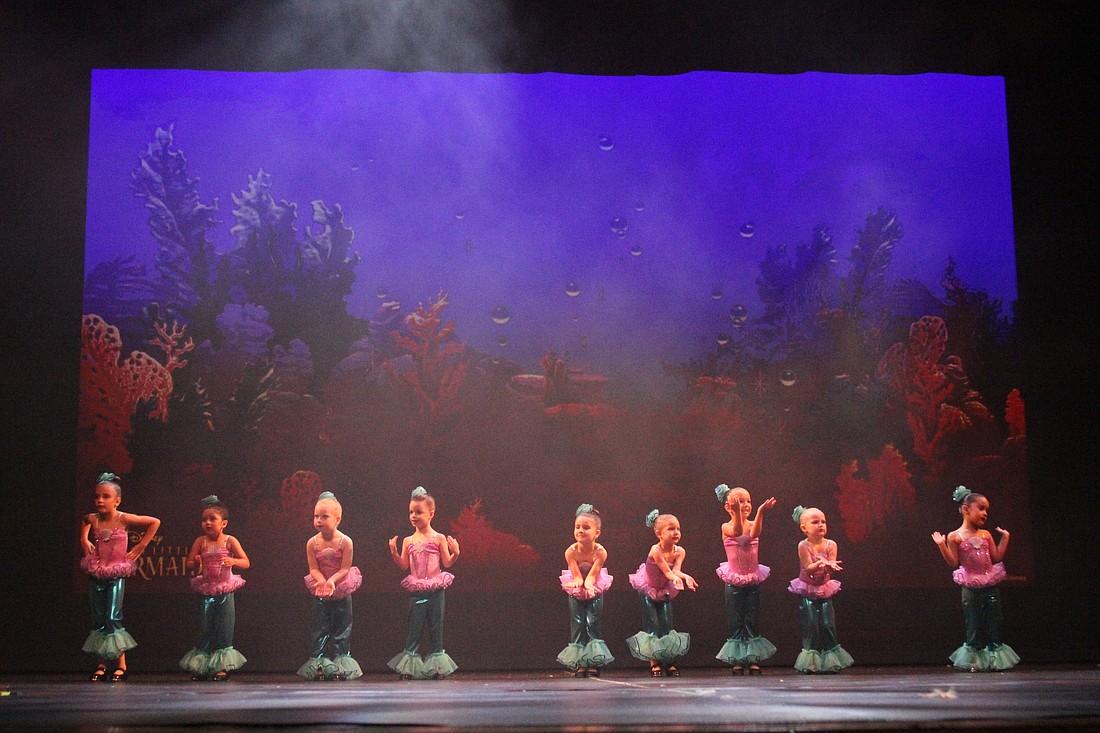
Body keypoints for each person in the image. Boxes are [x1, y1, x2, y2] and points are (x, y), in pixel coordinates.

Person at [79, 472, 161, 682]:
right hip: (97, 572)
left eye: (105, 496)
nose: (100, 500)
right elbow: (85, 520)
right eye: (97, 496)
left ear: (117, 501)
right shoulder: (94, 519)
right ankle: (102, 664)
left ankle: (121, 664)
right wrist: (84, 539)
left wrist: (141, 545)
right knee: (99, 618)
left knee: (112, 616)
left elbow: (155, 522)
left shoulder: (123, 518)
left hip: (115, 574)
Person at [932, 485, 1019, 671]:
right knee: (973, 622)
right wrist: (941, 545)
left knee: (994, 620)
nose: (985, 513)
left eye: (986, 509)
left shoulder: (985, 535)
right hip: (971, 586)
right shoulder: (955, 536)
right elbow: (953, 562)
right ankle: (973, 659)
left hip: (989, 583)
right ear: (966, 510)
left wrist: (1005, 538)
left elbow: (996, 557)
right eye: (981, 508)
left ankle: (995, 658)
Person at [387, 486, 461, 679]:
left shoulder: (438, 538)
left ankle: (436, 667)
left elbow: (447, 562)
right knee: (414, 627)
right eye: (411, 512)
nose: (414, 516)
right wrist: (394, 552)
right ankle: (410, 666)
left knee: (436, 627)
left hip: (435, 589)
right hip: (418, 589)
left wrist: (456, 553)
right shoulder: (408, 540)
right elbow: (404, 565)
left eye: (418, 512)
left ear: (431, 514)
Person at [179, 495, 250, 681]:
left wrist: (233, 561)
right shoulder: (200, 542)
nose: (208, 523)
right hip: (207, 589)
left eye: (212, 519)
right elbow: (188, 564)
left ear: (223, 523)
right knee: (205, 626)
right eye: (204, 519)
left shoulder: (230, 541)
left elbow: (246, 562)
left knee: (224, 626)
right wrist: (195, 563)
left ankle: (222, 667)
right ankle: (202, 666)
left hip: (225, 589)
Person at [298, 491, 363, 681]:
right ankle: (320, 663)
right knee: (320, 627)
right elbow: (313, 568)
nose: (319, 520)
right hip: (322, 590)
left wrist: (332, 581)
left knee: (342, 628)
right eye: (316, 516)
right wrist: (321, 581)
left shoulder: (345, 542)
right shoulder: (312, 543)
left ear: (337, 519)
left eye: (324, 517)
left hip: (341, 588)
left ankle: (341, 664)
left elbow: (345, 568)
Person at [713, 484, 777, 675]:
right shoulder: (726, 526)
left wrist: (761, 511)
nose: (746, 504)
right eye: (740, 501)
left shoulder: (752, 524)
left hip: (752, 579)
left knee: (751, 617)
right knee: (736, 618)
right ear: (728, 507)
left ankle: (752, 658)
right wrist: (736, 514)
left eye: (748, 501)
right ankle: (738, 659)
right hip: (734, 580)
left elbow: (754, 533)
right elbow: (738, 532)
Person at [626, 509, 696, 677]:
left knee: (666, 624)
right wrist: (675, 578)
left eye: (678, 529)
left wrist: (685, 577)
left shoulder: (680, 551)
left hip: (664, 590)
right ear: (659, 534)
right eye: (671, 529)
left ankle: (669, 659)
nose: (676, 532)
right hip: (649, 590)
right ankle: (655, 660)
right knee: (653, 625)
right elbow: (667, 571)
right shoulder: (655, 550)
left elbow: (676, 570)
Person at [787, 505, 853, 673]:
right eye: (815, 522)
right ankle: (811, 662)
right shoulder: (803, 545)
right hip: (808, 589)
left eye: (823, 521)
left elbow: (831, 567)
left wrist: (830, 567)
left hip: (823, 589)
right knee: (810, 624)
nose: (821, 525)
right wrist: (821, 563)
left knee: (827, 623)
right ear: (804, 528)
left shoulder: (831, 544)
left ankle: (831, 660)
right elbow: (808, 567)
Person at [557, 503, 614, 677]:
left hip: (594, 586)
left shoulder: (600, 552)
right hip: (576, 589)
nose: (580, 531)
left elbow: (592, 576)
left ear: (597, 533)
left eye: (586, 528)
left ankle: (593, 661)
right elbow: (577, 577)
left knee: (592, 622)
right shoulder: (571, 552)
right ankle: (580, 662)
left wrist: (590, 586)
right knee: (578, 623)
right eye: (577, 527)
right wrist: (578, 584)